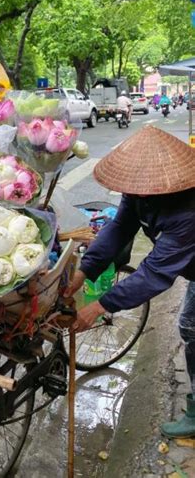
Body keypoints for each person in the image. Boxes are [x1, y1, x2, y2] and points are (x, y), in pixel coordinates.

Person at [66, 126, 195, 438]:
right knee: (190, 326)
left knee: (191, 327)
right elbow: (119, 228)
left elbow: (154, 274)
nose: (138, 192)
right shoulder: (139, 192)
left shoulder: (187, 211)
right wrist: (84, 272)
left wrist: (98, 306)